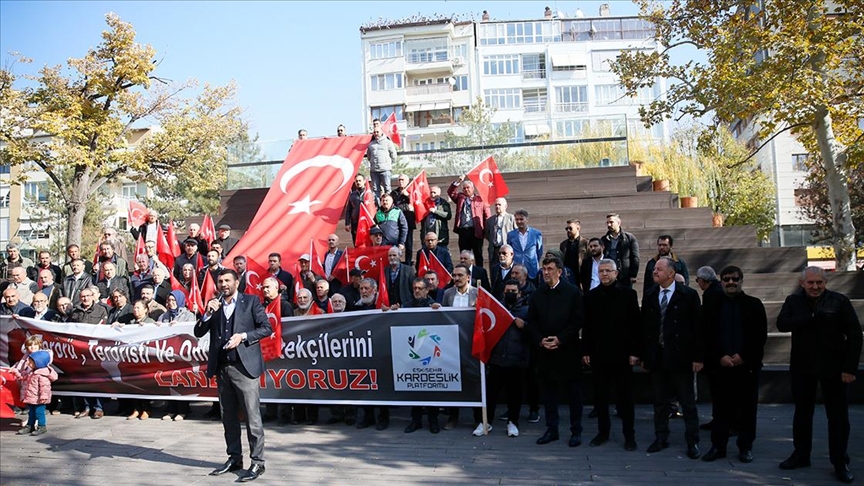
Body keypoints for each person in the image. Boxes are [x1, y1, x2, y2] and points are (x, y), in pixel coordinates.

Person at [777, 267, 862, 484]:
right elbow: (782, 324)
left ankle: (840, 461)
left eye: (819, 283)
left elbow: (854, 335)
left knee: (838, 417)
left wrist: (849, 368)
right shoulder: (793, 301)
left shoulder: (839, 301)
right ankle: (801, 454)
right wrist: (808, 318)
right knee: (802, 414)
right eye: (811, 283)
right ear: (802, 283)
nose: (815, 287)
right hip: (802, 367)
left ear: (826, 283)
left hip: (834, 367)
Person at [194, 269, 271, 482]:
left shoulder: (251, 301)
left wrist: (243, 336)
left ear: (237, 282)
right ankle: (234, 458)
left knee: (252, 416)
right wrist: (207, 313)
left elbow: (266, 328)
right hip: (222, 368)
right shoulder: (214, 305)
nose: (224, 284)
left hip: (244, 368)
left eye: (228, 280)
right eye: (220, 281)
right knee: (228, 417)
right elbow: (198, 332)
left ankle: (257, 462)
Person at [701, 265, 767, 464]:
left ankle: (745, 446)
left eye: (735, 279)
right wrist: (720, 356)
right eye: (727, 279)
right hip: (720, 366)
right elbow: (706, 336)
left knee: (747, 410)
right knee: (720, 409)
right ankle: (718, 446)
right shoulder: (711, 305)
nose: (731, 282)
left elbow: (759, 336)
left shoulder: (754, 305)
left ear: (741, 280)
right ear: (721, 281)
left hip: (745, 367)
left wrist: (743, 356)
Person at [641, 257, 703, 459]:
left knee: (687, 402)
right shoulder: (650, 295)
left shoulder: (688, 295)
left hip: (681, 357)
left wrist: (697, 357)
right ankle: (661, 437)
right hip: (658, 356)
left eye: (659, 269)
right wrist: (645, 355)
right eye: (654, 269)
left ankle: (692, 441)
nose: (654, 272)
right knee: (660, 401)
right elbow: (646, 328)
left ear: (671, 273)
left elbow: (697, 328)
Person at [582, 259, 642, 451]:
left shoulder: (628, 294)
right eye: (601, 271)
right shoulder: (591, 296)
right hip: (599, 355)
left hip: (623, 355)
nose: (605, 274)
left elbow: (635, 326)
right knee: (600, 397)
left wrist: (635, 352)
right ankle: (603, 432)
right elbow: (588, 327)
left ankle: (629, 435)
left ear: (616, 273)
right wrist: (586, 351)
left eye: (608, 271)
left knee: (625, 398)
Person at [525, 256, 585, 447]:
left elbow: (577, 321)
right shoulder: (536, 294)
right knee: (548, 394)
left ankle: (576, 431)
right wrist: (540, 340)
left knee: (574, 393)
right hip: (545, 351)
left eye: (550, 269)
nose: (546, 272)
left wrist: (560, 339)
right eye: (544, 269)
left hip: (567, 351)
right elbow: (532, 321)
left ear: (559, 271)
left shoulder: (573, 292)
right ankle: (552, 429)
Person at [485, 280, 530, 439]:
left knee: (514, 395)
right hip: (497, 359)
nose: (510, 293)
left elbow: (535, 331)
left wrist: (524, 325)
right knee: (491, 394)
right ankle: (487, 421)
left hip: (517, 360)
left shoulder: (526, 310)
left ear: (519, 293)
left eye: (513, 291)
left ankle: (513, 422)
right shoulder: (497, 309)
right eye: (507, 291)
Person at [441, 264, 482, 432]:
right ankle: (453, 417)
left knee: (474, 381)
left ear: (468, 277)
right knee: (453, 380)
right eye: (454, 275)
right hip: (452, 344)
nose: (456, 278)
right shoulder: (447, 294)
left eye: (460, 275)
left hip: (472, 344)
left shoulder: (478, 293)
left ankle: (478, 418)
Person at [403, 278, 443, 434]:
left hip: (430, 353)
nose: (417, 291)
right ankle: (416, 420)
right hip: (412, 352)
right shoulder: (406, 306)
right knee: (415, 388)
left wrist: (438, 310)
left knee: (431, 388)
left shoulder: (434, 306)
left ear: (427, 290)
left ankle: (433, 420)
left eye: (420, 288)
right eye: (414, 288)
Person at [158, 291, 196, 421]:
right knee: (169, 382)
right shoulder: (163, 316)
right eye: (169, 301)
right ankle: (171, 409)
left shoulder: (188, 315)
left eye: (174, 300)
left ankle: (182, 410)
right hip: (167, 355)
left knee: (181, 382)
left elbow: (191, 332)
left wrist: (179, 326)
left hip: (182, 355)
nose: (171, 303)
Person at [10, 341, 57, 437]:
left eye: (31, 362)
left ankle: (41, 426)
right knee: (31, 413)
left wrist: (44, 396)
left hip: (39, 398)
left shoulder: (42, 375)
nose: (28, 363)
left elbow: (45, 387)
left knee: (39, 413)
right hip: (31, 397)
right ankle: (30, 425)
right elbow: (23, 377)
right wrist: (16, 373)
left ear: (38, 363)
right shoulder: (32, 372)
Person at [120, 300, 156, 420]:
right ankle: (136, 408)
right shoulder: (131, 323)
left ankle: (146, 409)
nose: (136, 310)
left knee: (144, 385)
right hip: (132, 359)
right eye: (134, 308)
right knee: (134, 384)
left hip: (145, 359)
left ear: (145, 310)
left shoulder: (151, 323)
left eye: (139, 308)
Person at [448, 177, 490, 268]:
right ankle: (464, 274)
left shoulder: (480, 200)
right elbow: (450, 192)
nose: (466, 190)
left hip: (476, 232)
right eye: (464, 188)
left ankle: (479, 277)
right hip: (463, 231)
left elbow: (487, 216)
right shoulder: (460, 198)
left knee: (478, 255)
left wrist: (486, 232)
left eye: (468, 187)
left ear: (473, 188)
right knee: (464, 256)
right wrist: (458, 181)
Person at [601, 213, 640, 289]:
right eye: (607, 223)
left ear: (619, 223)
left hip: (624, 276)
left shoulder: (629, 238)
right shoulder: (604, 239)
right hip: (610, 276)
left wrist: (633, 274)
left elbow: (635, 257)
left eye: (611, 222)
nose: (609, 224)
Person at [507, 209, 543, 283]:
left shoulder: (536, 234)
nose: (519, 222)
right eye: (517, 219)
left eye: (521, 219)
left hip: (531, 269)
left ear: (527, 219)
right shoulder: (511, 235)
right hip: (517, 269)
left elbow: (539, 251)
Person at [391, 174, 416, 266]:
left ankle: (408, 263)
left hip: (408, 221)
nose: (401, 181)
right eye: (399, 180)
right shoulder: (394, 193)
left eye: (403, 180)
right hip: (396, 223)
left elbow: (418, 201)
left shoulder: (412, 191)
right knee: (397, 245)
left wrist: (408, 195)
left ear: (407, 181)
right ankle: (396, 262)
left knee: (409, 245)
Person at [366, 126, 398, 200]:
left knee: (387, 188)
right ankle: (377, 206)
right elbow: (369, 156)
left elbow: (393, 154)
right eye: (374, 132)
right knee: (376, 190)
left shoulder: (388, 142)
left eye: (377, 132)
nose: (376, 133)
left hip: (385, 170)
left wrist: (389, 164)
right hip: (374, 171)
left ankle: (389, 205)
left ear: (381, 132)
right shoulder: (371, 144)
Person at [485, 197, 516, 270]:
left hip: (507, 249)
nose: (497, 206)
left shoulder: (511, 218)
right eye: (496, 205)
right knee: (494, 270)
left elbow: (516, 233)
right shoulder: (490, 220)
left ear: (505, 206)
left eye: (499, 204)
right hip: (495, 250)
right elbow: (487, 235)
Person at [559, 219, 588, 286]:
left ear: (578, 228)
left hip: (581, 277)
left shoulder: (586, 243)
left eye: (570, 228)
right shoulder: (563, 244)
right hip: (567, 277)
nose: (568, 230)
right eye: (566, 229)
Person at [344, 174, 370, 244]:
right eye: (356, 181)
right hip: (355, 223)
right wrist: (347, 223)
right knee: (356, 242)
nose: (358, 182)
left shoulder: (369, 194)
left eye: (360, 181)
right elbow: (348, 210)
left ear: (364, 181)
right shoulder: (352, 195)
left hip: (367, 223)